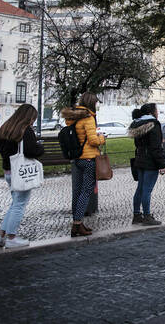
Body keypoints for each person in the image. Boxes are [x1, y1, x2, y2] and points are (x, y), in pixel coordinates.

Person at [0, 104, 44, 248]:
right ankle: (11, 237)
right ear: (29, 117)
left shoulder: (6, 128)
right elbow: (30, 150)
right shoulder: (25, 130)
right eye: (33, 118)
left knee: (14, 204)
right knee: (19, 205)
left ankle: (0, 235)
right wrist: (40, 147)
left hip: (8, 171)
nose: (34, 121)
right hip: (21, 173)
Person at [61, 92, 106, 237]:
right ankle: (77, 224)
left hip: (77, 158)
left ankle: (77, 222)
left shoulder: (73, 117)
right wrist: (102, 138)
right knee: (86, 192)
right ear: (92, 103)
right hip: (88, 159)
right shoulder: (88, 118)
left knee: (78, 192)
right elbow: (93, 141)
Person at [129, 103, 165, 226]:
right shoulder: (154, 125)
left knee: (140, 188)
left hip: (139, 159)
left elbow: (138, 144)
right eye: (156, 110)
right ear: (152, 112)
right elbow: (156, 147)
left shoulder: (137, 124)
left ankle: (136, 215)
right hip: (150, 162)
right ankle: (147, 216)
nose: (158, 112)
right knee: (147, 190)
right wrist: (162, 164)